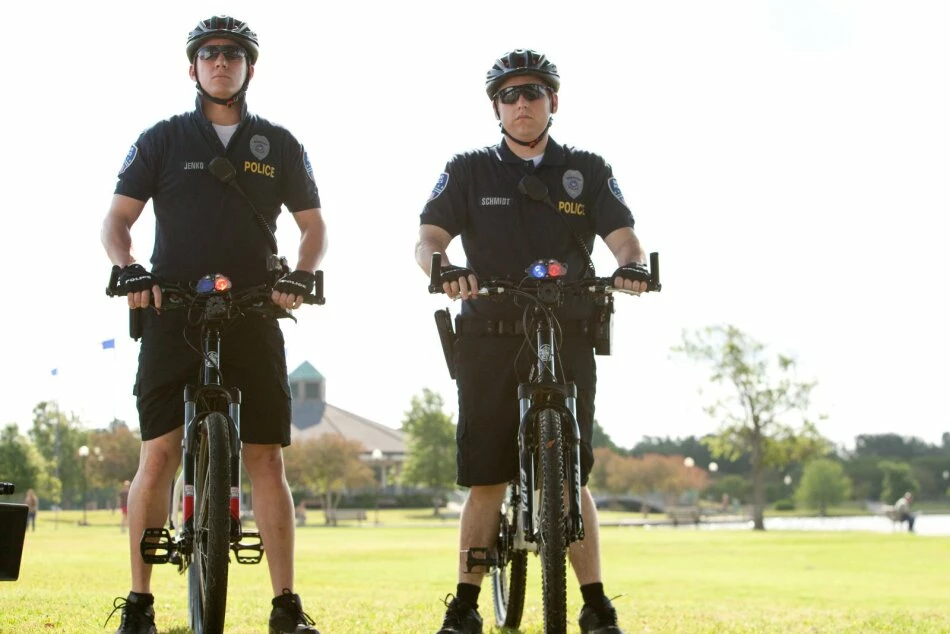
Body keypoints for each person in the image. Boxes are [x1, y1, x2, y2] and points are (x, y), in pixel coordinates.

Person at [100, 15, 326, 634]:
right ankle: (140, 604)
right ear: (192, 67)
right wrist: (130, 269)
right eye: (209, 53)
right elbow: (116, 221)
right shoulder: (162, 139)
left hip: (256, 306)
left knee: (266, 458)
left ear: (251, 67)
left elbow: (314, 228)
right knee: (160, 452)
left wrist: (299, 276)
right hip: (171, 307)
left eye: (233, 53)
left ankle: (286, 605)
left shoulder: (278, 144)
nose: (220, 61)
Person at [415, 48, 652, 634]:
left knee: (572, 473)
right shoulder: (469, 169)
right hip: (490, 330)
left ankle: (595, 605)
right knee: (487, 476)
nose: (523, 104)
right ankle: (466, 606)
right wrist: (441, 268)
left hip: (568, 326)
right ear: (496, 107)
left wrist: (632, 267)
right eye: (511, 95)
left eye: (534, 93)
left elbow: (625, 239)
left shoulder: (586, 169)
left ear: (553, 102)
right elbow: (428, 237)